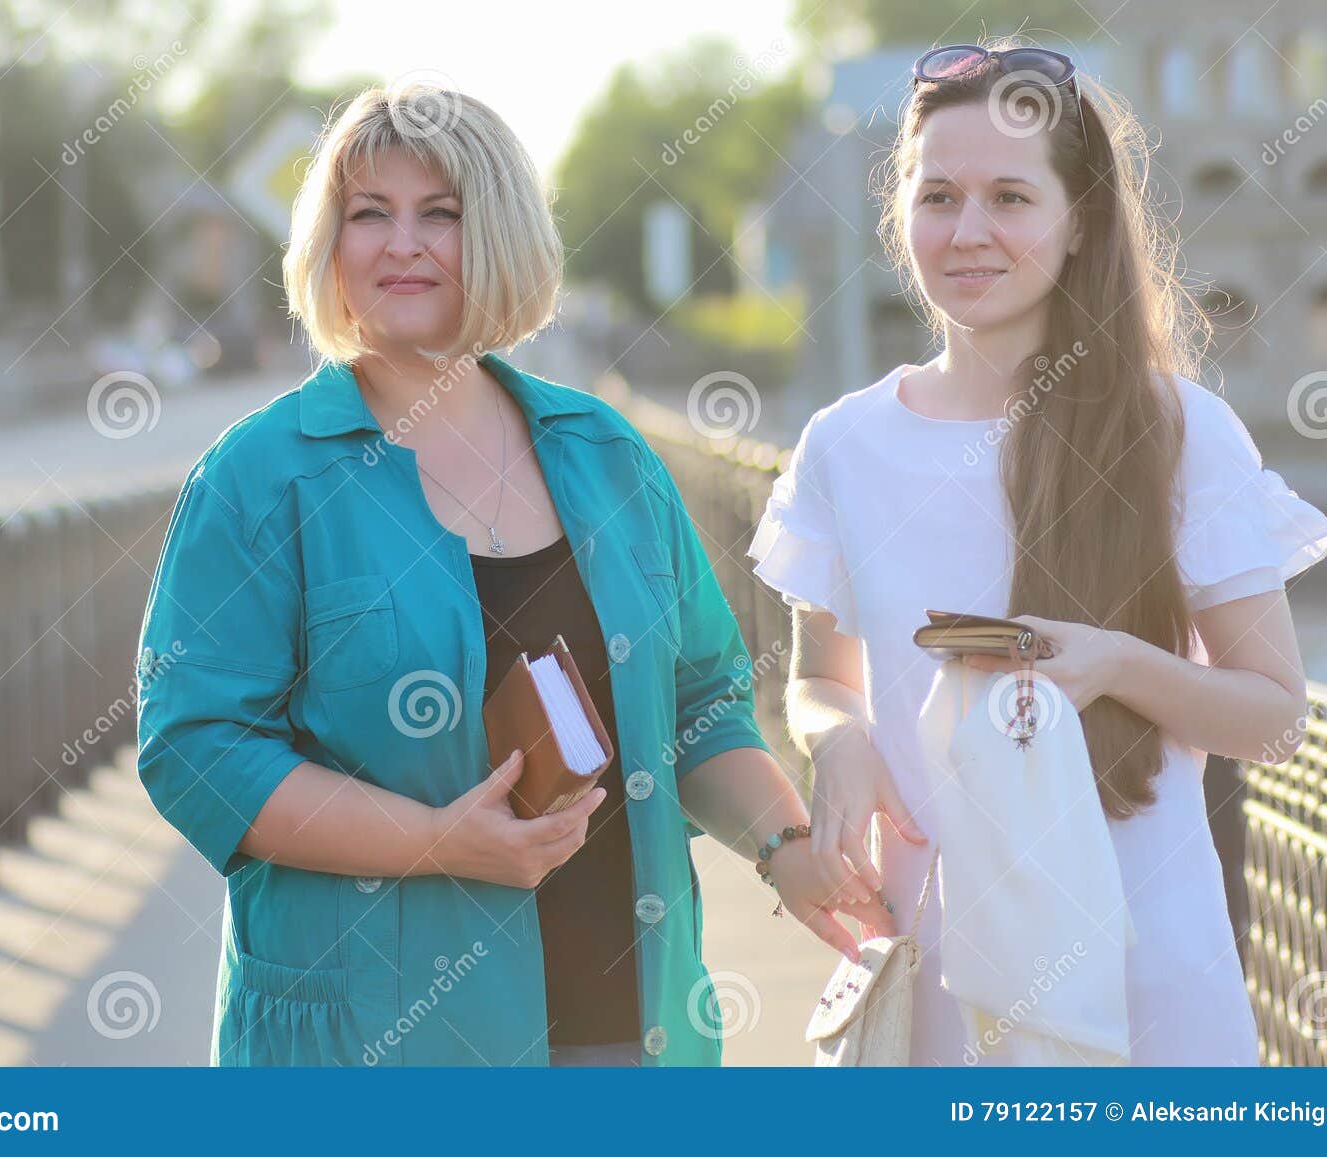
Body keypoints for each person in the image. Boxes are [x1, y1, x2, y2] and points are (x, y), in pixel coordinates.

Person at [134, 81, 890, 1068]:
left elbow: (702, 700)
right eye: (369, 213)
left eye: (439, 214)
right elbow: (195, 747)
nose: (401, 242)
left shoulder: (605, 453)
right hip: (375, 1047)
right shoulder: (258, 476)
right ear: (329, 242)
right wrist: (434, 839)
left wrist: (785, 848)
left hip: (635, 1028)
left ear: (497, 233)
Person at [748, 40, 1327, 1065]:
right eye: (938, 196)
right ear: (901, 214)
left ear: (1079, 226)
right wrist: (836, 740)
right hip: (933, 984)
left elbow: (1274, 718)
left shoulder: (1180, 432)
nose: (966, 231)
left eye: (1010, 198)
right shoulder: (842, 445)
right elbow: (820, 681)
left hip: (1143, 991)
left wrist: (1114, 663)